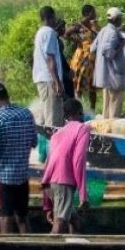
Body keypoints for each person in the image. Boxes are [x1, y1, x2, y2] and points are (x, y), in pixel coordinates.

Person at [0, 82, 37, 234]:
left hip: (3, 178)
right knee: (23, 218)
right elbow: (34, 142)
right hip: (22, 176)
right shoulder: (26, 113)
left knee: (5, 217)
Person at [43, 99, 91, 234]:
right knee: (60, 223)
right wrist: (83, 195)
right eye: (82, 114)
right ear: (79, 113)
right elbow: (78, 161)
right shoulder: (82, 129)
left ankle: (75, 249)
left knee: (73, 219)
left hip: (51, 181)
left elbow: (48, 163)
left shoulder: (57, 134)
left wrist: (47, 204)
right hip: (63, 181)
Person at [31, 6, 66, 127]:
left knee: (46, 115)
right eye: (54, 17)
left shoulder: (40, 32)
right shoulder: (49, 33)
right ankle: (53, 146)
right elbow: (50, 59)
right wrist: (57, 82)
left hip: (43, 79)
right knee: (53, 119)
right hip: (49, 80)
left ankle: (46, 145)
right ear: (50, 17)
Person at [93, 7, 125, 118]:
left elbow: (93, 48)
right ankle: (112, 130)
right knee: (114, 107)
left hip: (106, 75)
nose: (121, 20)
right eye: (120, 18)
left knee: (107, 107)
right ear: (116, 19)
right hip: (113, 75)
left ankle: (106, 130)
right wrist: (121, 45)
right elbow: (108, 53)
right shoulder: (112, 33)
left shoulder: (103, 31)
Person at [66, 5, 101, 109]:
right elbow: (66, 34)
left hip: (93, 60)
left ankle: (92, 110)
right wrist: (78, 41)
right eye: (94, 12)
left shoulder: (94, 25)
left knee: (92, 86)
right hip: (81, 59)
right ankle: (77, 109)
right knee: (78, 84)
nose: (95, 14)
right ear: (89, 13)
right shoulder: (78, 26)